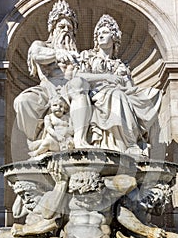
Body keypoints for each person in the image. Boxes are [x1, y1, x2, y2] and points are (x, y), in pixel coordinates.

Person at [67, 14, 162, 154]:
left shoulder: (120, 65)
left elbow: (131, 88)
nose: (100, 36)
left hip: (119, 93)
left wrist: (125, 83)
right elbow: (78, 76)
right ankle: (128, 144)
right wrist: (107, 77)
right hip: (95, 94)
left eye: (104, 32)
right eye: (98, 33)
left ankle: (125, 143)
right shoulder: (88, 56)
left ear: (114, 37)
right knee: (118, 96)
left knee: (151, 94)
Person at [14, 0, 79, 141]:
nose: (66, 30)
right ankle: (36, 140)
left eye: (70, 27)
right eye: (62, 26)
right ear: (53, 28)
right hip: (47, 90)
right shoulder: (41, 45)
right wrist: (56, 53)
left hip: (74, 92)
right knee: (23, 101)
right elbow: (36, 54)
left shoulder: (79, 54)